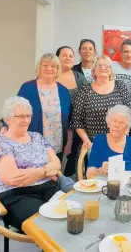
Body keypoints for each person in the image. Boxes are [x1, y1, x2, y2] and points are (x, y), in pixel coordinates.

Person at [0, 97, 61, 231]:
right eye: (20, 116)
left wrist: (39, 172)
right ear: (7, 119)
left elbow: (56, 164)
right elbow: (14, 179)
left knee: (73, 214)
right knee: (48, 225)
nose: (26, 120)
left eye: (28, 116)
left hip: (48, 188)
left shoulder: (37, 137)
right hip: (16, 196)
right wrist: (47, 172)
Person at [0, 53, 71, 161]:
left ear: (58, 69)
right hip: (31, 144)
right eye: (45, 65)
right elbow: (15, 108)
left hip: (57, 146)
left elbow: (69, 119)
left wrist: (69, 143)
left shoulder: (64, 91)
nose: (49, 69)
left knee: (54, 175)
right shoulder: (28, 88)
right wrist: (5, 126)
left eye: (53, 66)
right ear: (39, 67)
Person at [71, 55, 131, 151]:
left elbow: (129, 115)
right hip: (93, 144)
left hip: (118, 142)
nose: (103, 68)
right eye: (99, 66)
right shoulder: (85, 90)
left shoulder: (120, 86)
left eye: (107, 66)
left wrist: (124, 136)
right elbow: (77, 120)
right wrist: (85, 139)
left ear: (111, 70)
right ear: (94, 70)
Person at [86, 105, 131, 178]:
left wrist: (123, 171)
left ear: (127, 127)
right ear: (108, 123)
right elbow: (89, 174)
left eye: (121, 122)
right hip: (103, 186)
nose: (117, 125)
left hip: (126, 186)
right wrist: (100, 171)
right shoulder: (99, 141)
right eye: (114, 121)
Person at [56, 46, 88, 176]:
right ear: (57, 57)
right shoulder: (51, 74)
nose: (68, 58)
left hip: (76, 126)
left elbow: (87, 97)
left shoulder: (79, 77)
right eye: (64, 55)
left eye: (71, 56)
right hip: (55, 126)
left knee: (72, 160)